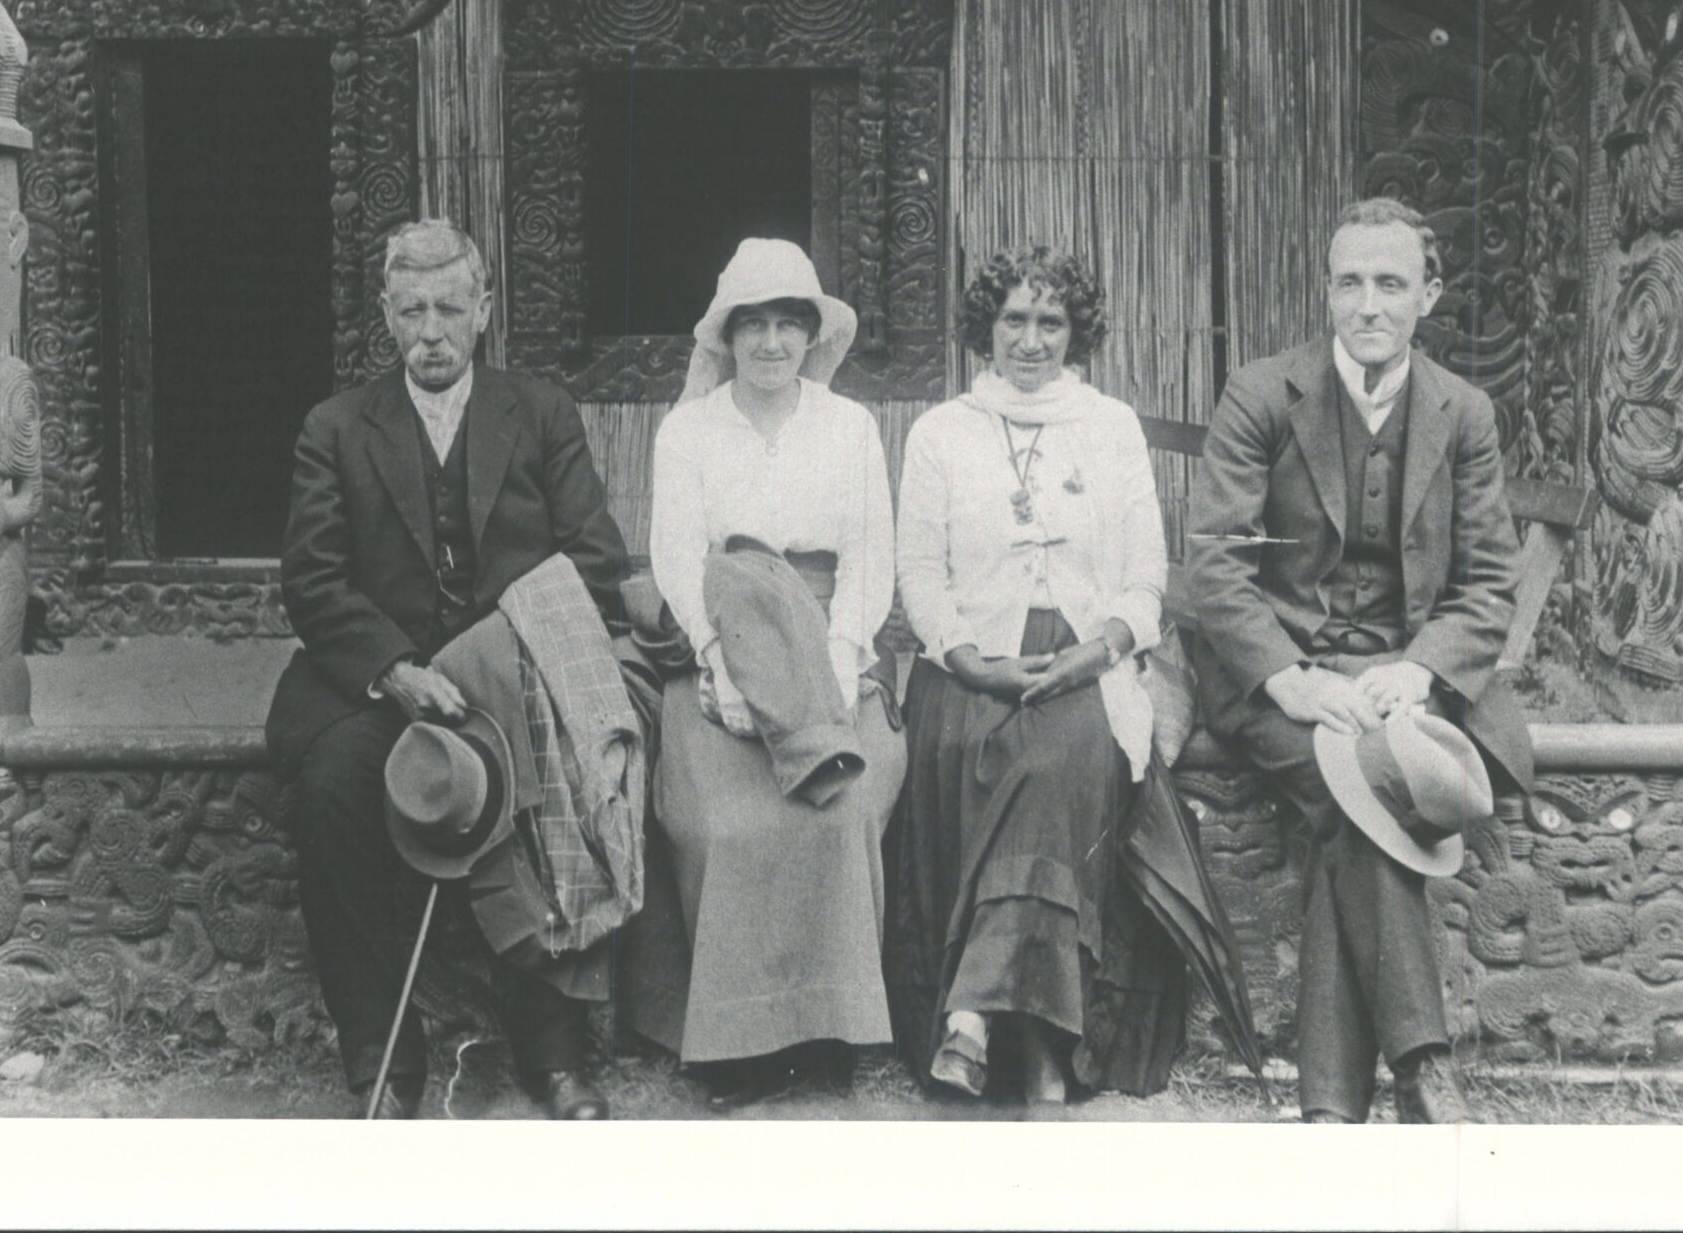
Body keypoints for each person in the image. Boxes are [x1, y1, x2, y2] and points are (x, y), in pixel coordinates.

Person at [265, 222, 636, 1120]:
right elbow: (310, 580)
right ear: (387, 319)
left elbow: (593, 558)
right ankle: (383, 1063)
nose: (431, 331)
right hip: (377, 679)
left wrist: (495, 657)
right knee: (331, 789)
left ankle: (553, 1053)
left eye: (449, 309)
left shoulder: (539, 412)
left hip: (511, 672)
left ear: (483, 313)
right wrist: (395, 670)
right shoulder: (337, 427)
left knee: (550, 774)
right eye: (412, 311)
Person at [1184, 196, 1527, 1125]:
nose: (1367, 304)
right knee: (1360, 791)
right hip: (1278, 676)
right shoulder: (1263, 392)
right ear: (1327, 291)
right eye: (1349, 283)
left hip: (1401, 681)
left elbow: (1489, 578)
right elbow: (1212, 561)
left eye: (1389, 283)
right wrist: (1289, 678)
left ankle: (1332, 1108)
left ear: (1429, 294)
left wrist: (1419, 668)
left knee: (1354, 802)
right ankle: (1422, 1063)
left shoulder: (1462, 411)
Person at [885, 244, 1186, 1106]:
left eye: (1048, 321)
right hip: (968, 663)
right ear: (986, 326)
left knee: (1055, 761)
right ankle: (1042, 1055)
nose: (1029, 339)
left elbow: (1144, 578)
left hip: (1084, 660)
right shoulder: (941, 432)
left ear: (1074, 330)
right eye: (1012, 318)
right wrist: (969, 659)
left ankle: (978, 1017)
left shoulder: (1111, 425)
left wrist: (1100, 649)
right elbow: (920, 576)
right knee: (1006, 754)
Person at [632, 238, 906, 1108]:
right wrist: (716, 663)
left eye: (790, 323)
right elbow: (675, 557)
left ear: (811, 335)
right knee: (723, 824)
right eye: (754, 324)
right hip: (721, 645)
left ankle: (828, 1028)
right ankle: (735, 1038)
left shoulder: (848, 426)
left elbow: (871, 555)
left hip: (831, 643)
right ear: (727, 337)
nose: (772, 342)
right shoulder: (688, 430)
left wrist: (836, 660)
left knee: (840, 808)